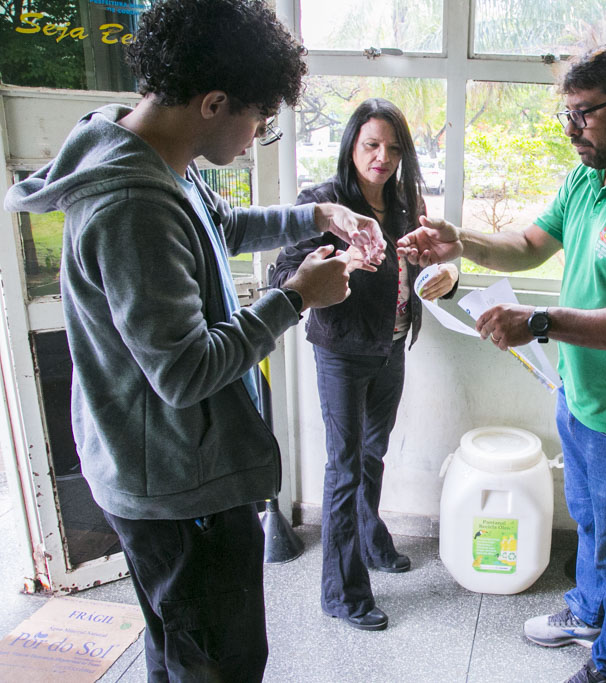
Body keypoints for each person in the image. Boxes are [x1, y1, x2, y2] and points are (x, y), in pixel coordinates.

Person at [4, 1, 386, 680]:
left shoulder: (153, 155)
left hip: (177, 472)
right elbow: (183, 371)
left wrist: (317, 213)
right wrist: (296, 296)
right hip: (178, 493)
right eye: (258, 123)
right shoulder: (133, 204)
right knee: (217, 661)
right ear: (214, 102)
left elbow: (221, 228)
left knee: (185, 650)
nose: (254, 138)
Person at [398, 43, 606, 683]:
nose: (570, 129)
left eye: (584, 114)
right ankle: (590, 613)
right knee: (597, 529)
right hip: (580, 393)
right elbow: (526, 244)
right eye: (565, 115)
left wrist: (539, 324)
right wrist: (461, 239)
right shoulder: (588, 176)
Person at [271, 98, 458, 631]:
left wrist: (447, 279)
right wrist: (342, 261)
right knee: (344, 466)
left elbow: (425, 272)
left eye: (393, 148)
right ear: (351, 144)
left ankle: (371, 539)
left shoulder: (404, 205)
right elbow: (286, 271)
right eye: (372, 145)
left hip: (391, 347)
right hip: (341, 351)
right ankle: (342, 592)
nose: (383, 158)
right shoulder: (324, 203)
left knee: (372, 456)